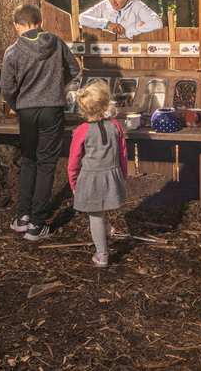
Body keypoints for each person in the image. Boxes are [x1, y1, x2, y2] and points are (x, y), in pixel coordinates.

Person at [0, 3, 80, 241]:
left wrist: (17, 104)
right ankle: (37, 223)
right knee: (46, 164)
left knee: (29, 160)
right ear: (39, 21)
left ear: (17, 25)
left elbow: (6, 87)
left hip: (26, 112)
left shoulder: (12, 52)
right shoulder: (56, 43)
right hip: (52, 110)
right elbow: (74, 70)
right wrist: (57, 86)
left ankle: (23, 217)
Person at [66, 80, 127, 268]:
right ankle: (107, 229)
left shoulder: (81, 131)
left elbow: (73, 161)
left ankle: (102, 255)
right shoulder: (116, 125)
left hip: (91, 179)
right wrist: (123, 176)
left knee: (95, 216)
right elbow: (123, 154)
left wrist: (73, 183)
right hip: (112, 176)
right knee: (100, 208)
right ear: (105, 103)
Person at [78, 0, 163, 39]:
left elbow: (157, 23)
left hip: (133, 54)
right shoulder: (104, 5)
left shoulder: (137, 5)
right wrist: (106, 24)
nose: (112, 1)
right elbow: (82, 18)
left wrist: (129, 31)